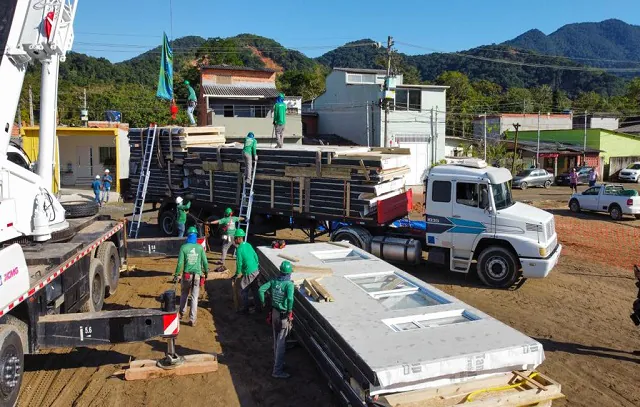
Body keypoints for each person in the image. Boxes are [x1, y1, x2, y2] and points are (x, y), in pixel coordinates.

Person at [259, 260, 295, 379]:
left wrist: (263, 302)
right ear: (289, 273)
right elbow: (290, 299)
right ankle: (277, 371)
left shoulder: (274, 281)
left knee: (276, 340)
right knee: (281, 344)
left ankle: (277, 363)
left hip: (274, 313)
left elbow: (261, 290)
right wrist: (289, 311)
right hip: (283, 316)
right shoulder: (289, 285)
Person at [172, 226, 208, 326]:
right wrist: (206, 273)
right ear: (196, 236)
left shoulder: (184, 247)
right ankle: (192, 319)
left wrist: (176, 274)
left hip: (187, 275)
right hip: (197, 275)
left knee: (184, 294)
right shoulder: (200, 247)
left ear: (188, 236)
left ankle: (181, 313)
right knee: (194, 297)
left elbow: (180, 264)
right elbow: (205, 262)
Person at [234, 229, 261, 313]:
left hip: (249, 272)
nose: (234, 240)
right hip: (256, 270)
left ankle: (245, 309)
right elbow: (255, 256)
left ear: (238, 238)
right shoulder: (248, 245)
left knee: (243, 289)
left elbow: (239, 264)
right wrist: (256, 265)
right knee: (255, 289)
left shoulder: (239, 249)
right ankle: (258, 308)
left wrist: (237, 274)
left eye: (235, 238)